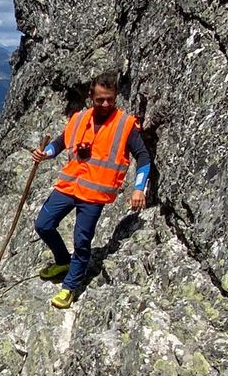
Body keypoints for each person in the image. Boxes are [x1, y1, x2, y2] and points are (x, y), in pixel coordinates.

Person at [31, 72, 151, 309]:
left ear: (115, 97)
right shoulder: (79, 118)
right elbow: (61, 142)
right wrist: (46, 154)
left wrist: (139, 189)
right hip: (69, 185)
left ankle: (69, 287)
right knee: (43, 225)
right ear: (91, 97)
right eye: (100, 100)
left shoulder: (125, 125)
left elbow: (143, 156)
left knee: (81, 241)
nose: (105, 104)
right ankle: (63, 261)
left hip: (94, 194)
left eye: (110, 100)